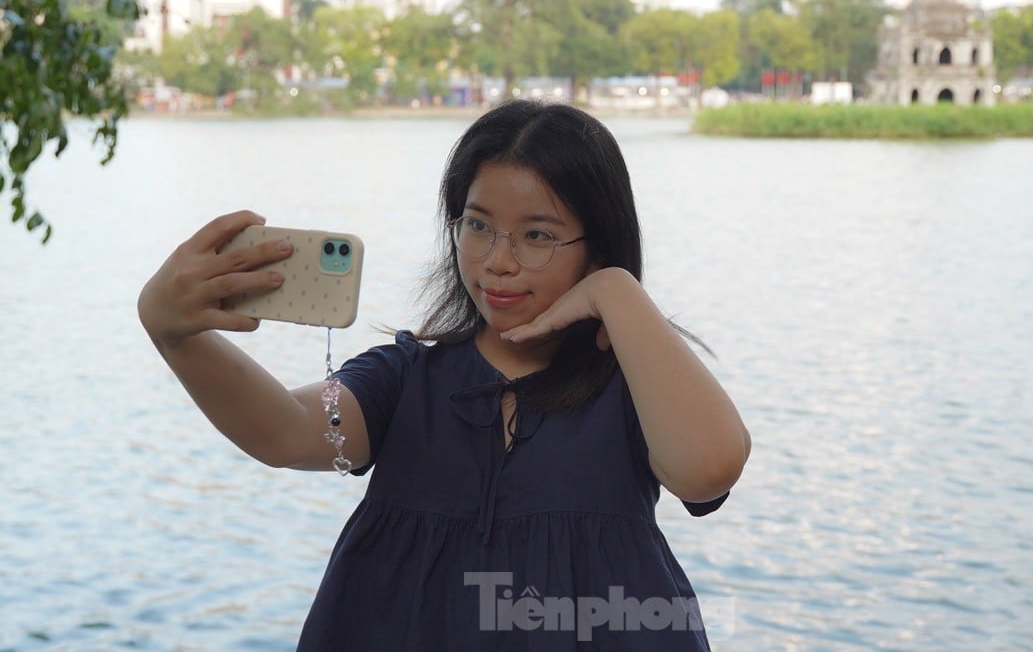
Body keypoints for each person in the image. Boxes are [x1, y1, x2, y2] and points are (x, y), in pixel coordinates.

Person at [137, 99, 751, 650]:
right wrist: (175, 333)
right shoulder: (407, 377)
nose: (497, 261)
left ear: (596, 246)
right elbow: (291, 432)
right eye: (477, 225)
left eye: (538, 236)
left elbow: (708, 470)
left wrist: (618, 294)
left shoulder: (635, 387)